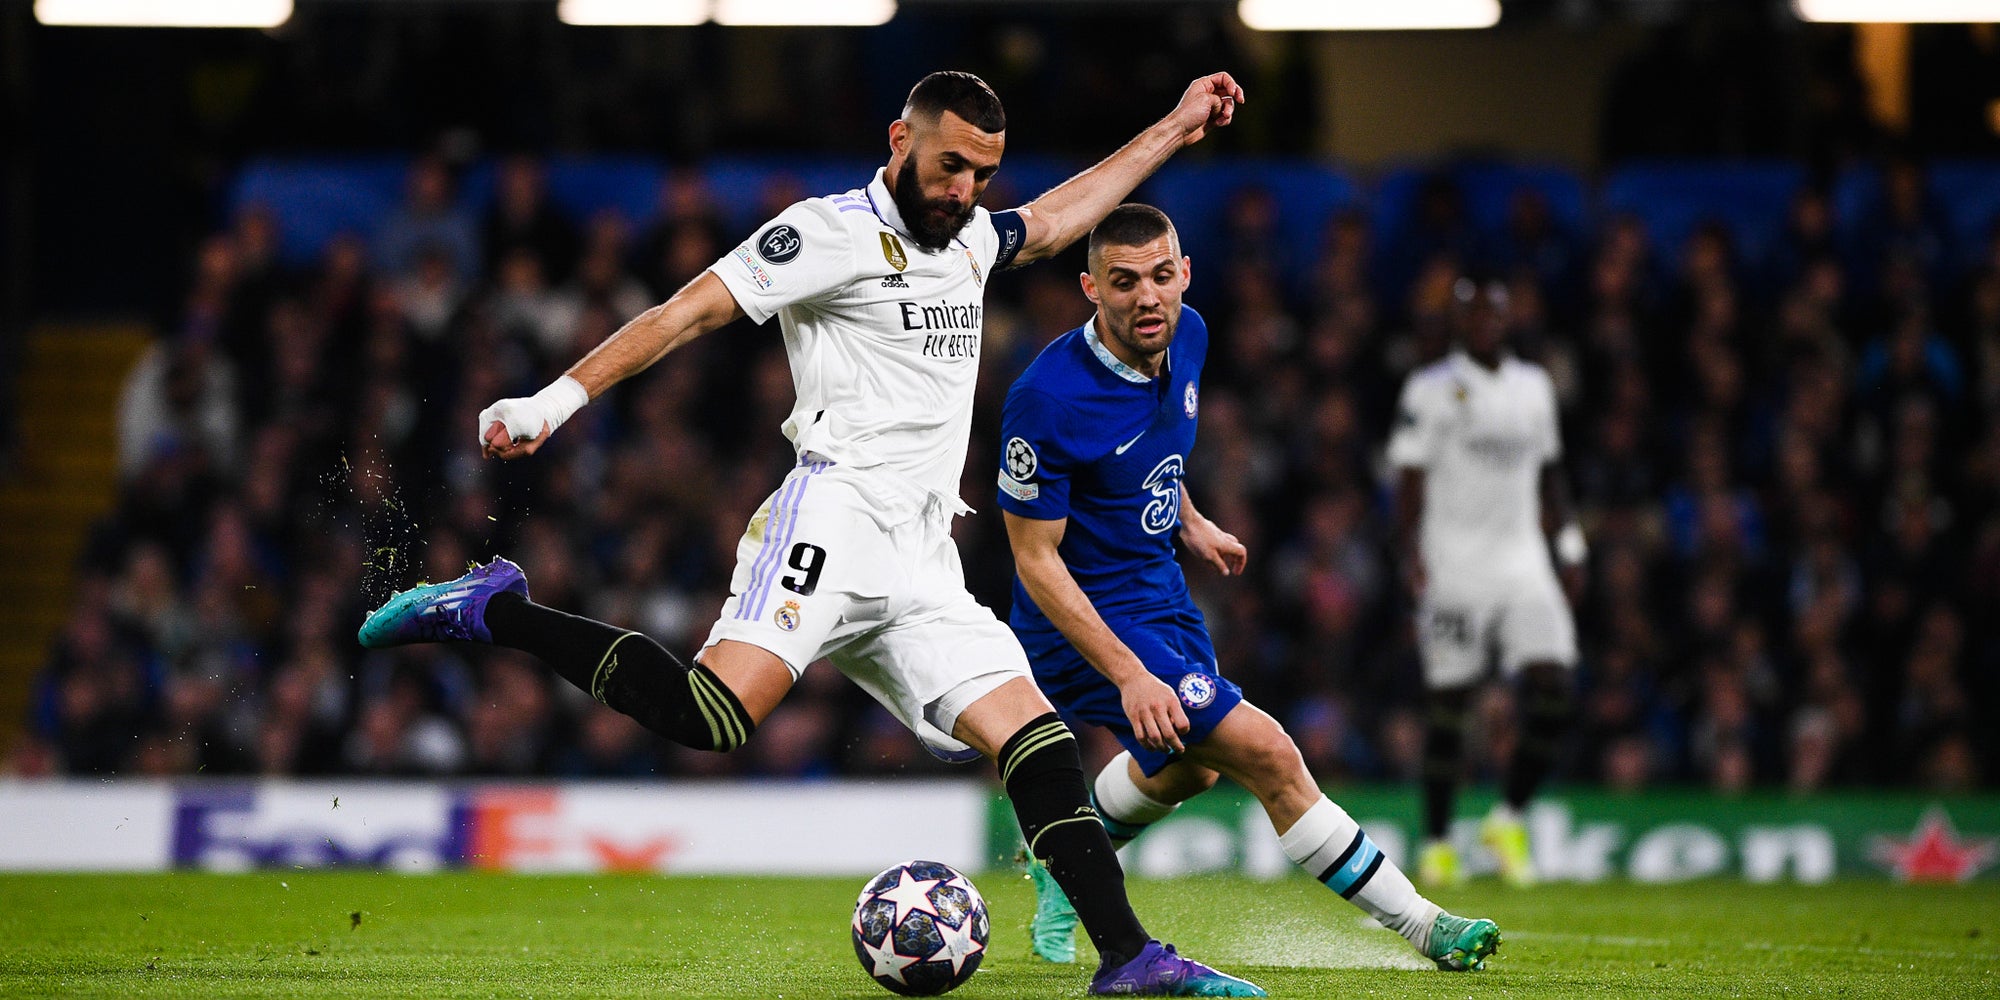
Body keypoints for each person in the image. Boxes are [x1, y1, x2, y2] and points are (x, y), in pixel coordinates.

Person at [358, 71, 1266, 997]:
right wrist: (553, 402)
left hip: (922, 550)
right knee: (712, 718)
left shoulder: (970, 243)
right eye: (950, 166)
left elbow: (1061, 217)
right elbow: (687, 311)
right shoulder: (825, 233)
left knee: (1035, 740)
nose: (964, 191)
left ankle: (1130, 959)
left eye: (981, 175)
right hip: (833, 517)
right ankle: (496, 611)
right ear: (899, 141)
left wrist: (1173, 127)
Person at [998, 204, 1502, 973]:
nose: (1148, 298)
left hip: (1159, 592)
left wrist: (1188, 519)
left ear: (1185, 275)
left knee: (1188, 766)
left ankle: (1061, 860)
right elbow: (1035, 559)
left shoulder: (1188, 335)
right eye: (1124, 282)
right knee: (1267, 754)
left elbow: (1150, 446)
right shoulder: (1047, 399)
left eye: (1162, 277)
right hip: (1083, 615)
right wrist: (1130, 676)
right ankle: (1425, 926)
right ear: (1089, 287)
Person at [1389, 277, 1584, 888]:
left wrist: (1570, 545)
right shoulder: (1428, 390)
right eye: (1471, 314)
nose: (1484, 324)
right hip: (1454, 563)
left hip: (1524, 559)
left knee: (1554, 685)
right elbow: (1408, 481)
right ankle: (1440, 842)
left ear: (1507, 318)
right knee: (1450, 703)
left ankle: (1508, 818)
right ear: (1458, 322)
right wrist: (1410, 554)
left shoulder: (1534, 387)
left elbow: (1552, 473)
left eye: (1494, 313)